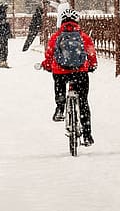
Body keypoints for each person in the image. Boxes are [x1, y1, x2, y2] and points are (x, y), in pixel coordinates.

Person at [40, 8, 97, 145]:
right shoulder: (83, 37)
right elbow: (91, 53)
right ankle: (87, 135)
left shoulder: (56, 37)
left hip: (61, 71)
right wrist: (92, 65)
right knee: (83, 101)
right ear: (77, 21)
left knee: (60, 86)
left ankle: (60, 107)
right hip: (80, 72)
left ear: (62, 22)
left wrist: (47, 65)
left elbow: (49, 53)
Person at [0, 4, 12, 68]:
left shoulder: (3, 15)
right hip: (3, 35)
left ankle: (3, 61)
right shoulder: (2, 16)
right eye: (6, 9)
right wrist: (5, 23)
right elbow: (0, 25)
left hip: (3, 35)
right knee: (4, 48)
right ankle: (3, 62)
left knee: (4, 48)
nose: (7, 10)